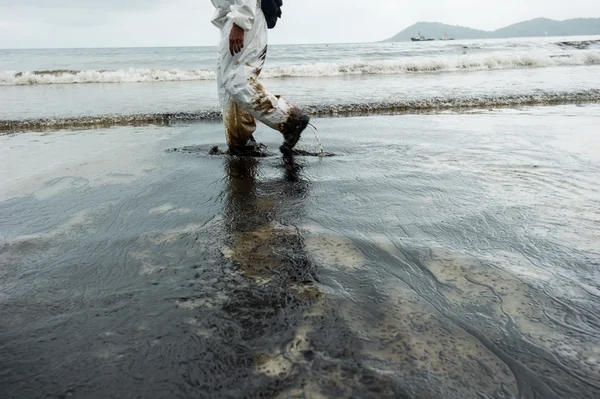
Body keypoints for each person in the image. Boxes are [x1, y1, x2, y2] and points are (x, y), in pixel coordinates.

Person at [210, 0, 310, 156]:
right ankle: (241, 144)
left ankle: (291, 120)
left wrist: (240, 21)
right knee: (227, 86)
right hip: (231, 18)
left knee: (237, 82)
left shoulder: (241, 19)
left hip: (243, 16)